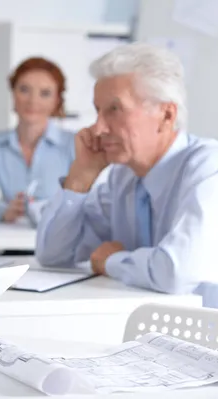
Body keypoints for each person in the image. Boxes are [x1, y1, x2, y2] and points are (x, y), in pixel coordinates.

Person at [35, 43, 218, 307]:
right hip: (146, 335)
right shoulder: (123, 178)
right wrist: (79, 178)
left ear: (166, 115)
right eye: (98, 110)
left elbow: (176, 272)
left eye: (114, 109)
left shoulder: (208, 167)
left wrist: (111, 261)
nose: (98, 128)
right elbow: (53, 255)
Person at [0, 57, 74, 227]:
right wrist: (5, 211)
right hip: (12, 242)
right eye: (24, 90)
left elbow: (84, 201)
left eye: (45, 93)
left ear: (57, 100)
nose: (33, 100)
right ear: (13, 93)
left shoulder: (73, 144)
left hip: (60, 241)